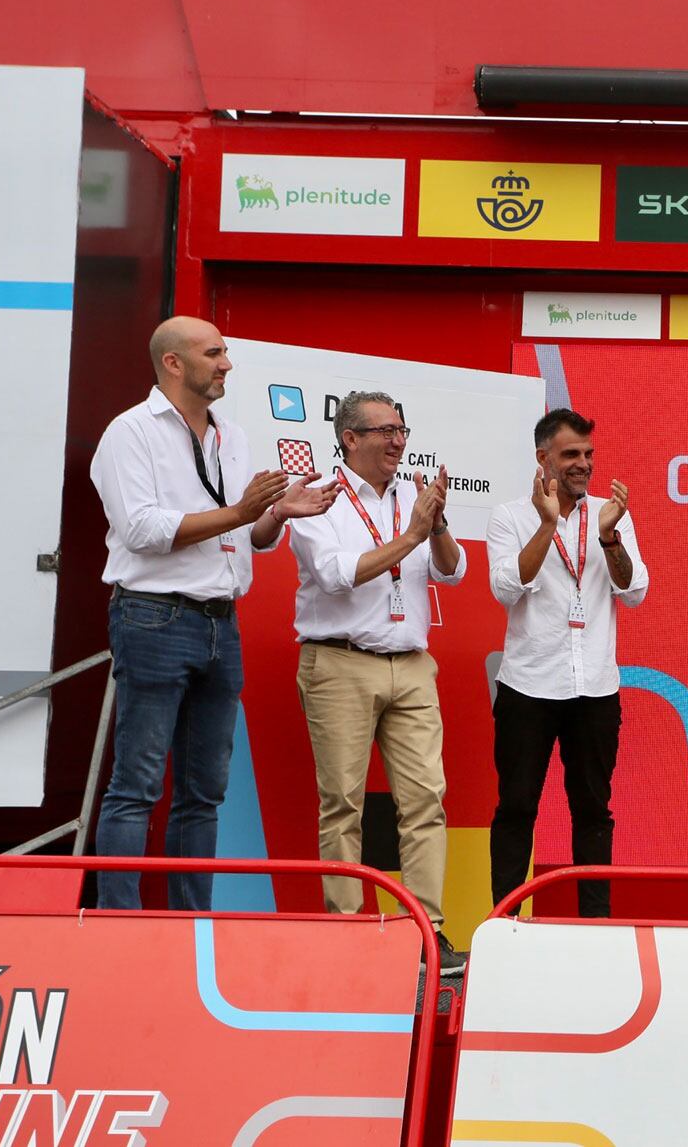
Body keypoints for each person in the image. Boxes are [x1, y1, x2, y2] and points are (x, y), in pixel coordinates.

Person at [90, 316, 337, 910]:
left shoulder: (232, 434)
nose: (227, 364)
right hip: (153, 618)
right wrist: (240, 511)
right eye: (213, 353)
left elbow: (249, 535)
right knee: (137, 784)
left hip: (220, 623)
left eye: (226, 353)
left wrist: (276, 515)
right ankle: (115, 922)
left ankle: (191, 922)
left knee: (204, 791)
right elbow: (143, 531)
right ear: (173, 363)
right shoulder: (130, 433)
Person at [285, 390, 467, 973]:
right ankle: (346, 931)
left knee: (425, 802)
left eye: (402, 430)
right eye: (385, 431)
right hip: (340, 663)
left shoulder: (413, 495)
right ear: (350, 440)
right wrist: (412, 534)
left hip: (412, 665)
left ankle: (426, 932)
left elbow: (453, 569)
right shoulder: (321, 499)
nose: (398, 440)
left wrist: (434, 525)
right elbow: (337, 576)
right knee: (343, 804)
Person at [486, 409, 647, 918]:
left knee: (593, 812)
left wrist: (608, 537)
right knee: (516, 810)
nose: (583, 464)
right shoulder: (510, 516)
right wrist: (548, 523)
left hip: (595, 689)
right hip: (528, 688)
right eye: (571, 454)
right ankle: (505, 924)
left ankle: (594, 927)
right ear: (543, 459)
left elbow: (635, 590)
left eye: (589, 454)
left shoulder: (610, 515)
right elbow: (507, 587)